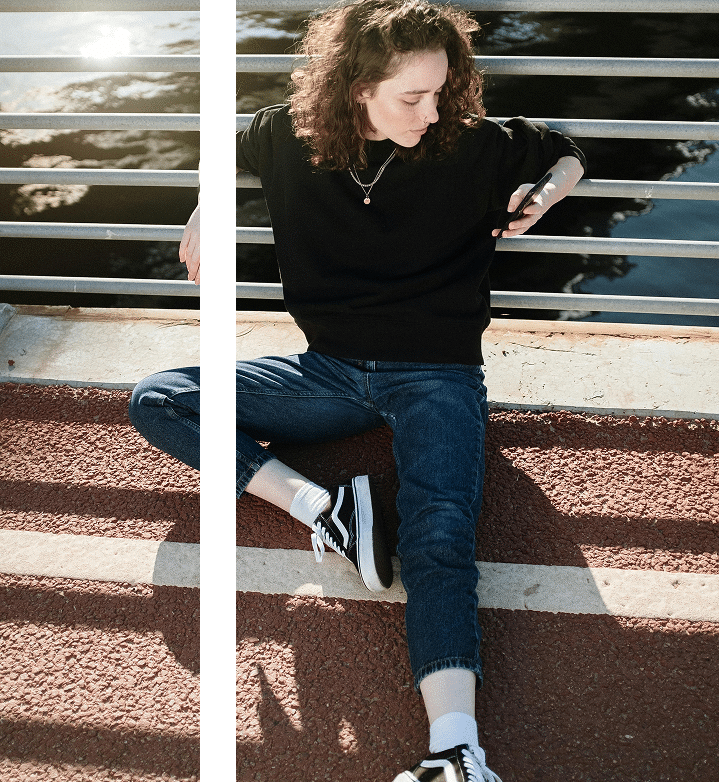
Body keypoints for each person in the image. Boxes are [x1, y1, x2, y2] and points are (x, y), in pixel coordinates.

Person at [131, 1, 585, 779]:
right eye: (412, 96)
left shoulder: (471, 146)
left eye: (441, 91)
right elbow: (224, 143)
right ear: (353, 87)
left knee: (438, 538)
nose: (433, 110)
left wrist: (547, 194)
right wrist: (209, 205)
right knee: (158, 399)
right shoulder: (286, 136)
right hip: (328, 372)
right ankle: (324, 510)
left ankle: (457, 754)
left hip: (437, 375)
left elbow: (568, 152)